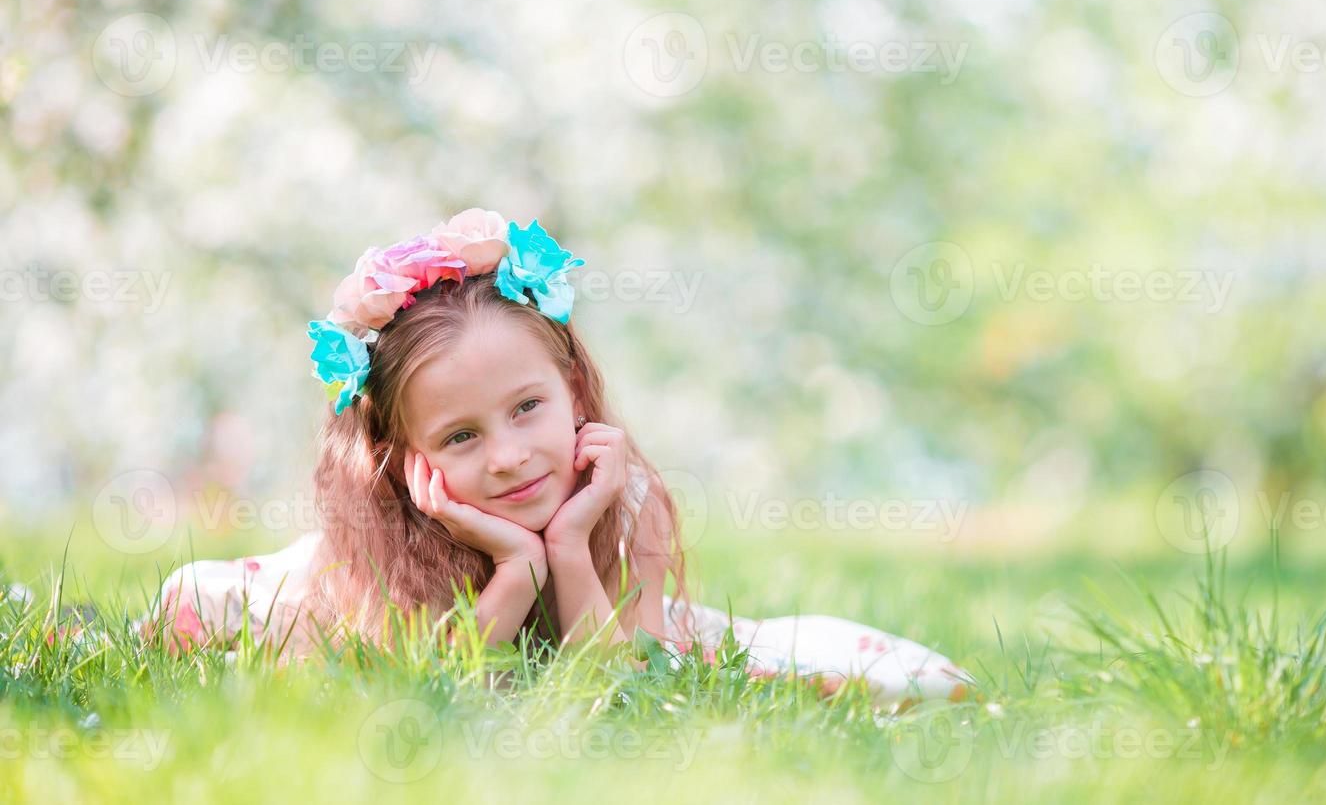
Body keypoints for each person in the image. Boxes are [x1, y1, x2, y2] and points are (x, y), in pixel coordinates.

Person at [139, 208, 974, 711]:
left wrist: (568, 549)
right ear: (400, 461)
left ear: (573, 385)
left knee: (859, 676)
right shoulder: (386, 533)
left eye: (528, 409)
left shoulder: (619, 491)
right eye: (460, 437)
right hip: (346, 606)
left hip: (610, 617)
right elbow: (430, 687)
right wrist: (513, 572)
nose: (508, 457)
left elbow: (620, 682)